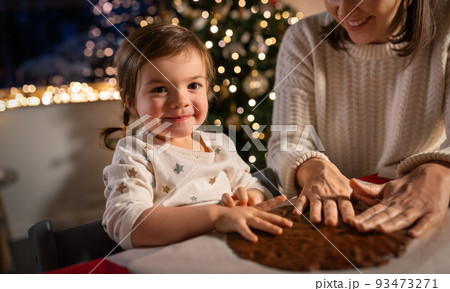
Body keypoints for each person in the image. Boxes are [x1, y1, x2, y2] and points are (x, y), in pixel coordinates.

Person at [267, 0, 450, 238]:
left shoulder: (445, 28)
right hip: (332, 219)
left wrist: (440, 172)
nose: (343, 13)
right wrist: (312, 167)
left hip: (420, 203)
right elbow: (286, 141)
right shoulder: (304, 38)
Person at [101, 23, 292, 249]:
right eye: (160, 89)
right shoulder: (135, 152)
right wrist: (216, 216)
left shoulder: (219, 144)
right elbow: (126, 222)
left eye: (193, 85)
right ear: (130, 100)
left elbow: (253, 184)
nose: (181, 101)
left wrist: (250, 196)